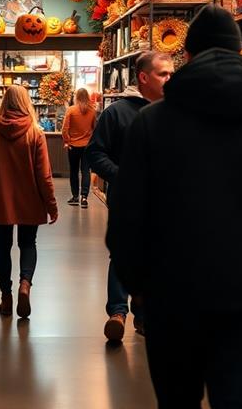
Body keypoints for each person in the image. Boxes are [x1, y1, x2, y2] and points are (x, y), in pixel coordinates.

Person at [108, 4, 242, 408]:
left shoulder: (151, 124)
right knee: (235, 400)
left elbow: (127, 217)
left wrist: (139, 288)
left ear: (188, 56)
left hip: (170, 297)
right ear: (239, 53)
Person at [87, 51, 173, 342]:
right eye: (164, 74)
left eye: (173, 73)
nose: (170, 79)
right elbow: (95, 154)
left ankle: (145, 315)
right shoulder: (118, 113)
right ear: (144, 77)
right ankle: (118, 312)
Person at [0, 84, 59, 319]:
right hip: (30, 199)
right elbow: (44, 175)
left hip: (1, 199)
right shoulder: (35, 133)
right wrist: (52, 205)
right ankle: (25, 284)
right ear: (26, 102)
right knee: (28, 244)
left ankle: (5, 296)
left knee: (1, 247)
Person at [61, 87, 97, 208]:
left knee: (74, 171)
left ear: (76, 97)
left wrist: (67, 141)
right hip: (87, 146)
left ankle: (75, 196)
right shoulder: (92, 111)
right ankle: (84, 197)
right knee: (86, 171)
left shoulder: (71, 110)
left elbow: (65, 129)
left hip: (73, 146)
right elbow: (94, 129)